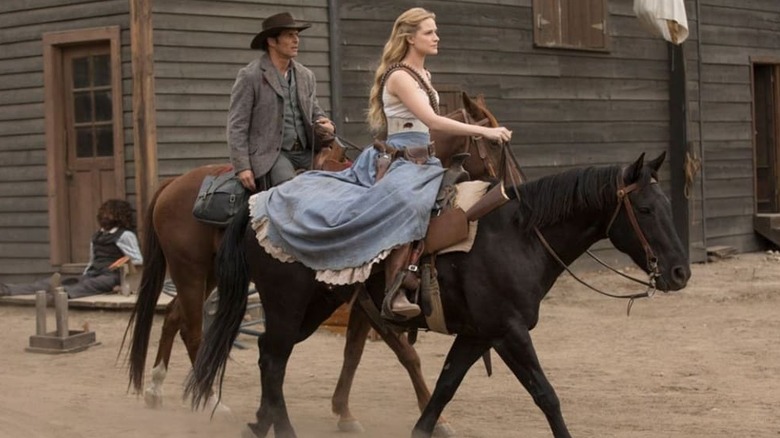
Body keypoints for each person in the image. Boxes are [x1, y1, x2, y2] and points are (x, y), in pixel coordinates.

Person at [246, 7, 512, 320]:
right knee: (409, 202)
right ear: (410, 38)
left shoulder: (425, 76)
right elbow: (431, 120)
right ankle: (394, 288)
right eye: (429, 32)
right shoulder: (399, 76)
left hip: (425, 159)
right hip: (400, 159)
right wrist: (484, 129)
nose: (436, 37)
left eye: (434, 31)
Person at [228, 11, 335, 193]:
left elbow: (314, 110)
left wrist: (327, 124)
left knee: (336, 186)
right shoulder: (250, 76)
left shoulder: (305, 75)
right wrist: (242, 166)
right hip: (272, 155)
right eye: (289, 35)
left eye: (297, 35)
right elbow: (237, 125)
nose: (296, 40)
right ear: (271, 41)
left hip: (306, 151)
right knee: (292, 192)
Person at [0, 199, 143, 301]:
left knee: (89, 285)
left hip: (112, 277)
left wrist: (124, 276)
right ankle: (9, 290)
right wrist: (86, 274)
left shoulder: (125, 235)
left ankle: (61, 295)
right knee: (65, 280)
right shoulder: (96, 236)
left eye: (109, 214)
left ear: (119, 217)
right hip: (94, 273)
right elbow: (92, 261)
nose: (105, 217)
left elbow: (137, 260)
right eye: (103, 214)